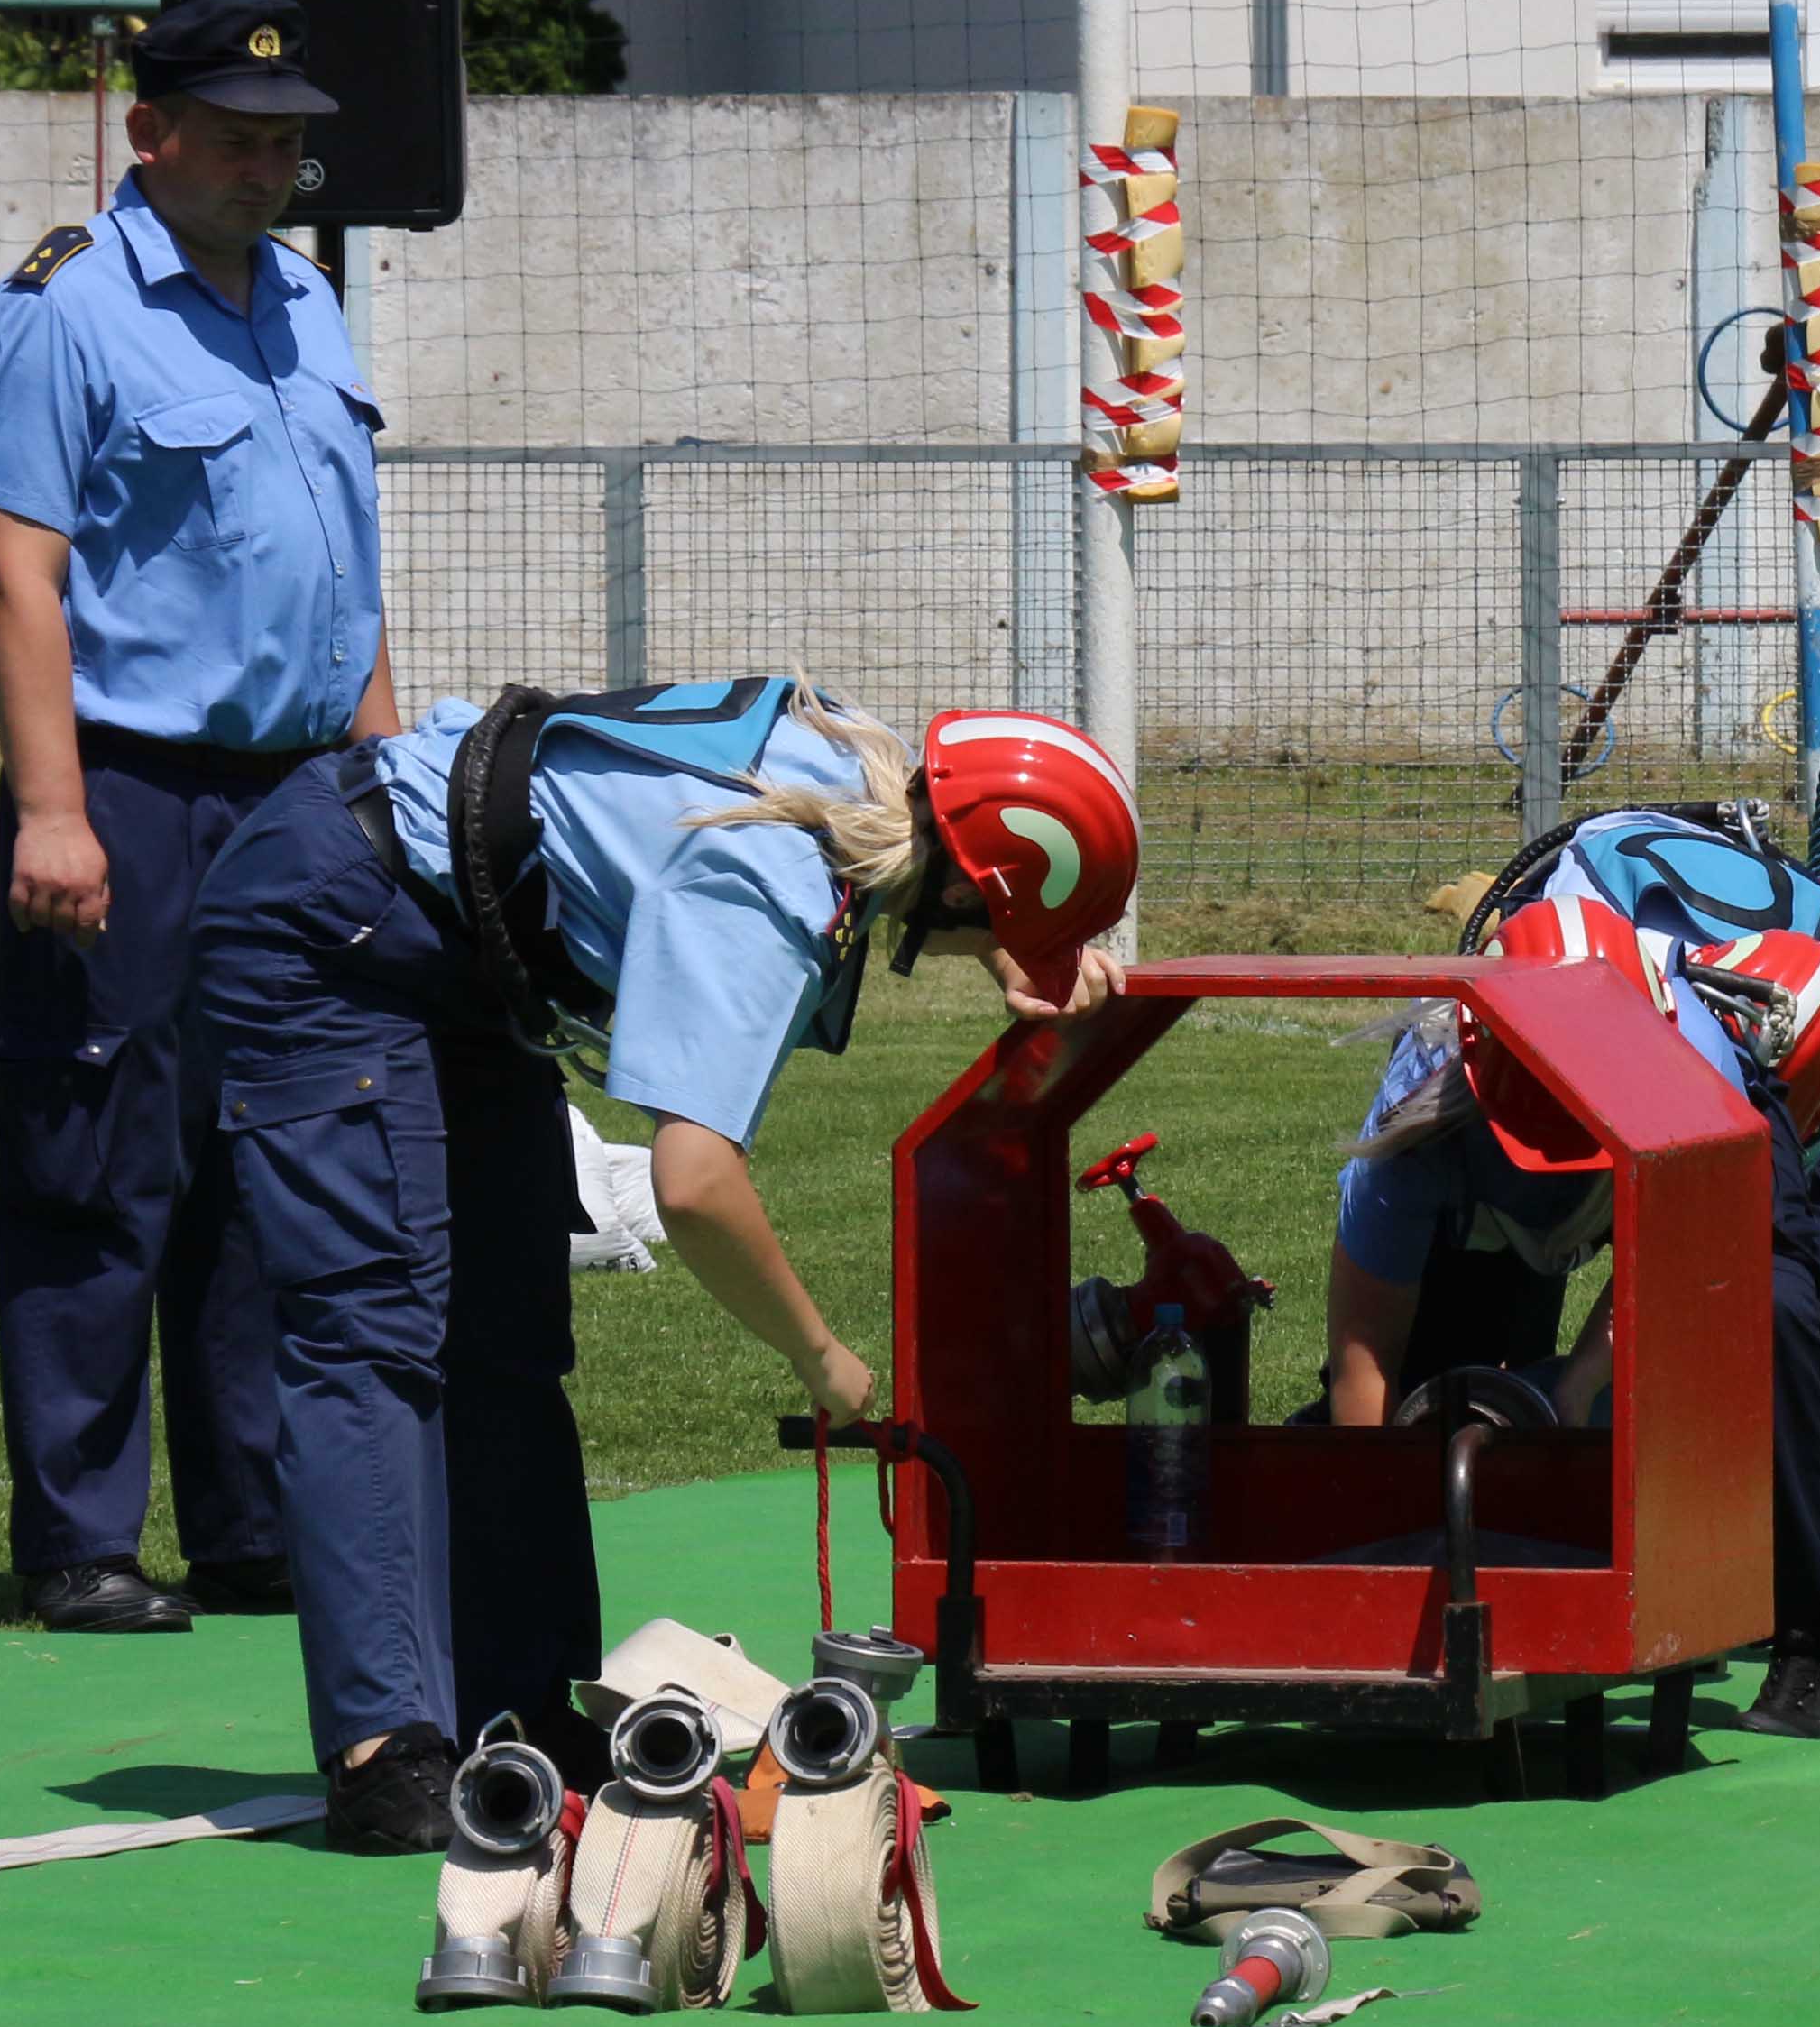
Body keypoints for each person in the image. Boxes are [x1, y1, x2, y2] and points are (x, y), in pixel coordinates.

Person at [188, 676, 1135, 1851]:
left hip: (444, 945)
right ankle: (386, 1752)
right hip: (325, 927)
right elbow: (692, 1184)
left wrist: (1000, 938)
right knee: (374, 1335)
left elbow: (933, 860)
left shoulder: (844, 771)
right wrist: (820, 1351)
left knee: (509, 1341)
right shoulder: (774, 884)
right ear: (968, 887)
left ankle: (519, 1710)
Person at [0, 0, 391, 1637]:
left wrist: (382, 778)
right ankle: (78, 1535)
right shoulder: (64, 313)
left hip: (293, 783)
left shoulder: (310, 304)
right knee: (95, 1151)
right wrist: (54, 808)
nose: (272, 168)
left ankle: (251, 1522)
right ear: (152, 135)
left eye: (288, 142)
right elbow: (16, 569)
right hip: (124, 782)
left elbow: (344, 565)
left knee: (267, 1154)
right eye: (240, 137)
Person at [1322, 805, 1820, 1738]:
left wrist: (1579, 1386)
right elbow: (1363, 1353)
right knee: (1446, 1373)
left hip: (1788, 984)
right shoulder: (1415, 1117)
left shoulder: (1712, 1060)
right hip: (1624, 966)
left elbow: (1678, 1277)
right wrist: (1368, 1563)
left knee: (1806, 1287)